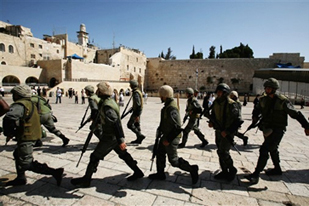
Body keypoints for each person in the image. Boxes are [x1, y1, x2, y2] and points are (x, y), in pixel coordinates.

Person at [71, 81, 144, 188]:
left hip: (110, 137)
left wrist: (121, 140)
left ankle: (86, 180)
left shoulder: (107, 106)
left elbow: (115, 123)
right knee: (124, 155)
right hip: (112, 136)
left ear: (101, 92)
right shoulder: (109, 101)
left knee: (94, 157)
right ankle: (138, 171)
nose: (96, 92)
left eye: (98, 90)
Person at [244, 78, 309, 184]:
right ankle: (277, 169)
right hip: (267, 129)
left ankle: (256, 174)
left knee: (264, 149)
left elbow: (295, 114)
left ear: (274, 89)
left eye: (269, 88)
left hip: (278, 129)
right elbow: (257, 109)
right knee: (273, 149)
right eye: (266, 88)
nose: (267, 90)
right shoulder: (263, 99)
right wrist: (254, 117)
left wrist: (306, 126)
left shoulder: (282, 101)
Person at [2, 85, 64, 187]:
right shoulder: (30, 102)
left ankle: (55, 172)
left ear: (18, 95)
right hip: (32, 134)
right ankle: (20, 178)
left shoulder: (20, 105)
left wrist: (8, 133)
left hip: (27, 136)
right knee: (18, 154)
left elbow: (9, 118)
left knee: (26, 163)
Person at [148, 85, 199, 184]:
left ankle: (192, 169)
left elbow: (177, 127)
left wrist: (168, 139)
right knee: (160, 153)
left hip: (172, 137)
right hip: (166, 135)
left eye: (161, 95)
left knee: (174, 161)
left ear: (165, 95)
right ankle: (160, 173)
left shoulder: (171, 107)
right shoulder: (167, 105)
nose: (160, 97)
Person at [208, 83, 241, 181]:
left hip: (227, 132)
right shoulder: (216, 102)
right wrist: (211, 122)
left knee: (224, 152)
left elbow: (238, 121)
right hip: (218, 131)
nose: (218, 94)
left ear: (225, 93)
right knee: (219, 151)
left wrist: (227, 131)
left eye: (220, 92)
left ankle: (232, 170)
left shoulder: (231, 104)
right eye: (217, 92)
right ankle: (224, 171)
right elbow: (213, 114)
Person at [127, 80, 146, 144]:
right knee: (136, 124)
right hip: (137, 111)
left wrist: (137, 114)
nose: (130, 86)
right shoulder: (138, 91)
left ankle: (140, 135)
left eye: (130, 85)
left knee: (129, 125)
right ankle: (139, 139)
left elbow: (138, 104)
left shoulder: (136, 93)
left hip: (137, 112)